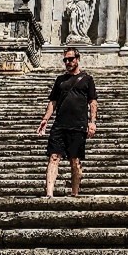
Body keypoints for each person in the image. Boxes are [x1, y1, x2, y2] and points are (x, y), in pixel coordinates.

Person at [37, 48, 98, 197]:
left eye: (70, 59)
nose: (68, 62)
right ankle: (49, 194)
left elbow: (93, 102)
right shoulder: (60, 80)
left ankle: (75, 193)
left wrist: (92, 122)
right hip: (59, 124)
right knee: (53, 157)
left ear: (77, 59)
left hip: (78, 125)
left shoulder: (87, 79)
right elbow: (53, 102)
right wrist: (45, 119)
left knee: (75, 160)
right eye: (65, 60)